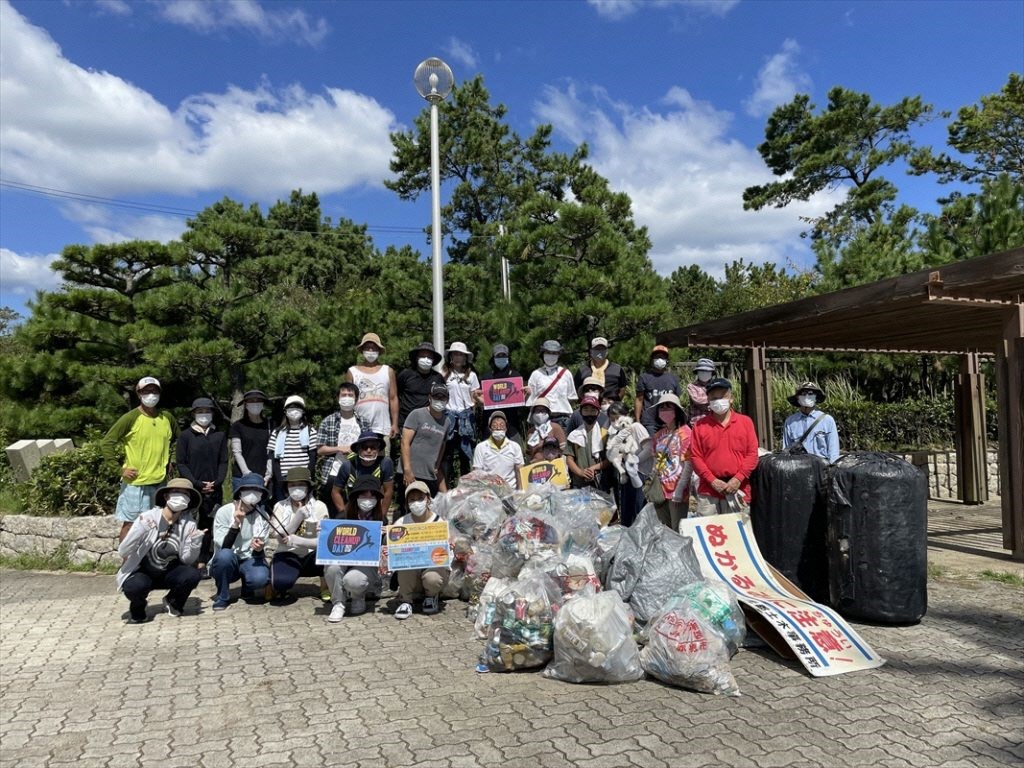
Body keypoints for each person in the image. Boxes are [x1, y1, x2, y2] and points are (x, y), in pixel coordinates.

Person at [116, 478, 205, 623]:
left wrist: (195, 542)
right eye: (176, 492)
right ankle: (138, 609)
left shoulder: (189, 523)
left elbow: (187, 559)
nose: (181, 496)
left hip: (170, 572)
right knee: (134, 587)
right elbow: (123, 551)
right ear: (166, 496)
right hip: (143, 572)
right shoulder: (147, 518)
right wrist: (140, 531)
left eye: (185, 494)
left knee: (193, 575)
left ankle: (173, 601)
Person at [103, 376, 177, 542]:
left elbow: (178, 440)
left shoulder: (167, 418)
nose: (151, 394)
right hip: (136, 484)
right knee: (131, 525)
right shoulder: (130, 418)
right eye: (146, 391)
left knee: (158, 524)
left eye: (154, 391)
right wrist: (118, 469)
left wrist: (172, 459)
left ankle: (149, 563)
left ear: (159, 393)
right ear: (138, 393)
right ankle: (125, 564)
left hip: (160, 482)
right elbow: (107, 442)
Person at [689, 378, 760, 517]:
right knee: (709, 535)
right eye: (714, 398)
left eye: (722, 396)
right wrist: (712, 480)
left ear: (731, 398)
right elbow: (695, 457)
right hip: (708, 491)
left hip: (739, 489)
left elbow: (752, 454)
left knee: (738, 535)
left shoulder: (745, 422)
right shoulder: (699, 426)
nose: (718, 400)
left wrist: (738, 479)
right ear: (708, 401)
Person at [174, 397, 228, 578]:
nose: (204, 415)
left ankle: (202, 562)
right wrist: (196, 483)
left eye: (207, 411)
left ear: (213, 413)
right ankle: (184, 560)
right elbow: (181, 463)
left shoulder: (219, 435)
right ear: (194, 413)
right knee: (186, 524)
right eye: (200, 411)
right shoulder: (185, 436)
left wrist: (217, 482)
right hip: (192, 489)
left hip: (214, 489)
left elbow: (223, 461)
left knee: (208, 526)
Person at [324, 475, 387, 622]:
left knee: (352, 581)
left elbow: (384, 550)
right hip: (343, 558)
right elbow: (328, 545)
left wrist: (386, 539)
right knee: (332, 567)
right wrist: (324, 534)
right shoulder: (342, 517)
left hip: (365, 564)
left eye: (372, 495)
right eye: (363, 494)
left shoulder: (381, 519)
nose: (368, 498)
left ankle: (358, 596)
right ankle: (338, 603)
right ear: (356, 497)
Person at [210, 473, 272, 611]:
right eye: (248, 489)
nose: (252, 493)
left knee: (261, 578)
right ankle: (222, 595)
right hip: (228, 558)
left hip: (250, 557)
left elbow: (262, 545)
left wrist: (259, 548)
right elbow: (223, 546)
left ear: (262, 494)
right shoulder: (224, 512)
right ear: (240, 492)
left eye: (257, 490)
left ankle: (248, 587)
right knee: (224, 556)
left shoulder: (263, 515)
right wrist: (236, 524)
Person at [268, 467, 329, 601]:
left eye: (301, 484)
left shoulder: (320, 507)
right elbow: (279, 537)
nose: (296, 488)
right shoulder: (280, 506)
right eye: (292, 485)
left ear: (308, 487)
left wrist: (297, 540)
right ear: (287, 488)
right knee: (281, 583)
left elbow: (324, 541)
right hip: (287, 553)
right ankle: (274, 579)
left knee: (329, 558)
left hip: (312, 554)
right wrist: (298, 517)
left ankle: (325, 586)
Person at [396, 341, 445, 501]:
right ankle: (403, 502)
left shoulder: (437, 378)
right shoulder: (405, 375)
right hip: (406, 424)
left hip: (428, 426)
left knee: (427, 462)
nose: (426, 359)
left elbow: (441, 398)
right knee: (407, 465)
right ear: (416, 358)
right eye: (422, 355)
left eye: (429, 356)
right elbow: (396, 397)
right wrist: (395, 423)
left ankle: (433, 497)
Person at [392, 481, 448, 619]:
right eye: (412, 499)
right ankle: (406, 600)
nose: (416, 502)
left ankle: (431, 596)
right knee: (405, 564)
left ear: (428, 499)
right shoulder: (401, 523)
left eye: (420, 498)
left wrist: (449, 546)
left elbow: (445, 555)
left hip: (433, 568)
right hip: (412, 573)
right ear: (406, 503)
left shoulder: (439, 523)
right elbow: (394, 552)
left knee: (432, 578)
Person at [647, 393, 693, 530]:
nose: (664, 411)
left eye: (669, 407)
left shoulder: (686, 432)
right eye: (662, 408)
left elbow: (688, 464)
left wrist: (679, 490)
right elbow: (655, 461)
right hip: (659, 490)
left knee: (678, 530)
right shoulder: (658, 435)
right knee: (663, 530)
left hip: (677, 491)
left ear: (677, 411)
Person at [346, 333, 399, 444]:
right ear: (362, 350)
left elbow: (393, 398)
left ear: (379, 350)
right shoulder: (352, 371)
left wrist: (395, 423)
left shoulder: (388, 371)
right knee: (357, 457)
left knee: (382, 459)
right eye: (367, 348)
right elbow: (347, 398)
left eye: (374, 348)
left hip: (382, 426)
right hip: (357, 426)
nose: (370, 350)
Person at [316, 381, 365, 503]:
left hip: (358, 472)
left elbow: (370, 448)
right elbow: (320, 450)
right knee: (334, 512)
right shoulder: (328, 421)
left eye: (350, 395)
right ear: (337, 398)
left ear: (356, 399)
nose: (347, 398)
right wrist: (339, 448)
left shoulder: (363, 422)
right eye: (344, 395)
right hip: (333, 473)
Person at [266, 395, 319, 505]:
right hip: (284, 479)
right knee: (283, 508)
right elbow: (274, 459)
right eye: (291, 407)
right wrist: (279, 479)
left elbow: (313, 456)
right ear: (285, 411)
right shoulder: (277, 432)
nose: (294, 410)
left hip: (303, 478)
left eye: (297, 407)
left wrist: (308, 476)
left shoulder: (310, 431)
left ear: (303, 411)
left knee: (305, 507)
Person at [330, 430, 395, 518]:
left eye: (373, 447)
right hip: (353, 508)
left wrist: (382, 516)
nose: (369, 451)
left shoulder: (385, 463)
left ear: (378, 449)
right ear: (358, 449)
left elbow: (388, 491)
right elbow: (335, 491)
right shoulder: (348, 466)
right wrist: (343, 513)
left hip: (376, 508)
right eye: (364, 447)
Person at [605, 402, 650, 527]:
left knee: (640, 511)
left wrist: (635, 460)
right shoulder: (616, 434)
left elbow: (649, 448)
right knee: (627, 512)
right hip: (626, 476)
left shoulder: (636, 427)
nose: (615, 422)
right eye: (612, 419)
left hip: (641, 474)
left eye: (618, 418)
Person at [442, 341, 481, 484]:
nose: (458, 357)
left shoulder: (472, 376)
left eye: (461, 354)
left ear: (465, 358)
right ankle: (446, 486)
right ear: (451, 356)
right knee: (447, 455)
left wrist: (476, 404)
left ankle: (465, 488)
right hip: (449, 416)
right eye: (455, 354)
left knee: (466, 455)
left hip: (466, 417)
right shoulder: (444, 374)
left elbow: (474, 397)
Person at [401, 383, 450, 497]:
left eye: (442, 397)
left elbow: (442, 444)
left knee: (426, 508)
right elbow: (405, 442)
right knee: (409, 507)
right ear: (430, 397)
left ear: (447, 400)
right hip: (411, 473)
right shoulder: (416, 414)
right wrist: (407, 470)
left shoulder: (447, 421)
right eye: (436, 397)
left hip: (429, 474)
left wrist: (437, 465)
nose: (439, 400)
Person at [479, 343, 526, 444]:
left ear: (508, 357)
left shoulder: (515, 376)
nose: (501, 358)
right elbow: (481, 400)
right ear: (493, 358)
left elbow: (522, 400)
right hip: (490, 423)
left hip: (512, 423)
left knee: (516, 449)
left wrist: (526, 394)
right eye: (498, 356)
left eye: (503, 356)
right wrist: (479, 400)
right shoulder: (487, 377)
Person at [782, 381, 840, 462]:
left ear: (816, 397)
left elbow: (833, 452)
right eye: (803, 393)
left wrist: (832, 469)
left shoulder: (827, 420)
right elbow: (786, 450)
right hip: (798, 467)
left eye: (810, 393)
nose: (807, 396)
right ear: (797, 398)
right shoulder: (790, 422)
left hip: (822, 467)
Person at [526, 340, 577, 431]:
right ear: (543, 354)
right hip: (542, 419)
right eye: (548, 352)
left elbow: (571, 398)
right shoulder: (536, 374)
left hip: (562, 418)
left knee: (563, 444)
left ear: (558, 354)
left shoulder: (566, 373)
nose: (551, 355)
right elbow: (530, 402)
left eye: (554, 353)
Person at [230, 389, 273, 493]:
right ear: (245, 404)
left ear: (263, 404)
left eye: (258, 400)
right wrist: (247, 474)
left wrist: (269, 474)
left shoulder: (270, 425)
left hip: (264, 477)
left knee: (262, 508)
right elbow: (237, 452)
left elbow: (272, 451)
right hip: (242, 476)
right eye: (251, 401)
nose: (255, 403)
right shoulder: (237, 426)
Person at [564, 394, 608, 490]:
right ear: (580, 413)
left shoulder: (604, 434)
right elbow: (569, 459)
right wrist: (581, 472)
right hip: (579, 483)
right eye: (586, 410)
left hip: (600, 482)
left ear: (598, 413)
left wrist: (594, 468)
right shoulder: (574, 435)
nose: (589, 414)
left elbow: (610, 459)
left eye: (593, 410)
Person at [636, 345, 682, 436]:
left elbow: (677, 400)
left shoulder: (673, 378)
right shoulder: (644, 377)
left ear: (666, 360)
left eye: (663, 357)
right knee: (651, 448)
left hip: (669, 420)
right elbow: (639, 399)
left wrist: (677, 420)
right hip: (649, 422)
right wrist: (637, 421)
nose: (660, 359)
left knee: (668, 448)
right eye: (657, 357)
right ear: (652, 359)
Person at [471, 411, 524, 489]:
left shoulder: (515, 446)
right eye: (495, 425)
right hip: (490, 492)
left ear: (506, 428)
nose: (498, 428)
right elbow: (477, 472)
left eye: (502, 425)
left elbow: (520, 470)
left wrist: (520, 491)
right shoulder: (481, 447)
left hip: (511, 490)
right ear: (490, 429)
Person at [574, 336, 626, 401]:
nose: (599, 352)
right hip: (589, 407)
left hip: (610, 406)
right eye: (597, 349)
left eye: (602, 349)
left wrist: (615, 401)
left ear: (607, 351)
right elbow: (576, 389)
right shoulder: (582, 370)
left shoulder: (617, 369)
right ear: (591, 351)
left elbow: (622, 388)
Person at [523, 397, 567, 464]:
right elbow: (529, 453)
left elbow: (564, 450)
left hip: (553, 465)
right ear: (533, 413)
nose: (540, 413)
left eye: (543, 411)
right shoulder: (530, 432)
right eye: (537, 411)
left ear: (548, 413)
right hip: (536, 466)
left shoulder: (555, 427)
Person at [687, 358, 717, 425]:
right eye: (702, 371)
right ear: (697, 372)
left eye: (707, 371)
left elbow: (720, 399)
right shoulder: (691, 386)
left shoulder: (716, 386)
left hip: (713, 422)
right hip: (696, 423)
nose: (704, 373)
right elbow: (697, 400)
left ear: (712, 373)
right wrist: (713, 400)